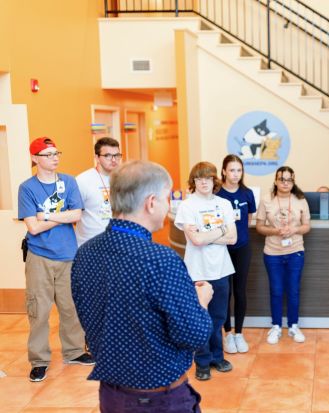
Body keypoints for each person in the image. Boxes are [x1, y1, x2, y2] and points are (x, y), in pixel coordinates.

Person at [71, 160, 213, 412]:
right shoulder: (161, 260)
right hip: (160, 401)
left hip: (111, 396)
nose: (168, 205)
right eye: (166, 198)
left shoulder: (85, 253)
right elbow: (194, 335)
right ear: (150, 202)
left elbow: (93, 318)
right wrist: (201, 301)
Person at [17, 136, 94, 383]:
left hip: (68, 255)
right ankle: (39, 361)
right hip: (39, 256)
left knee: (70, 307)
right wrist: (60, 215)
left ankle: (74, 352)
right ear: (35, 158)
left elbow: (77, 214)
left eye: (56, 153)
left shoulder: (69, 182)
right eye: (48, 154)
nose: (55, 158)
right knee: (38, 310)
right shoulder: (27, 188)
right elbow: (34, 228)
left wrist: (45, 214)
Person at [174, 161, 237, 381]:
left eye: (208, 178)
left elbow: (233, 237)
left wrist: (207, 234)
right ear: (194, 182)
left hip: (221, 269)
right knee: (200, 317)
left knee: (218, 317)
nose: (204, 182)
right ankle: (202, 361)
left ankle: (217, 357)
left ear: (214, 180)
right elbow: (196, 240)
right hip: (197, 271)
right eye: (200, 178)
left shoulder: (224, 204)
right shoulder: (187, 206)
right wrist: (221, 229)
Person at [256, 166, 311, 344]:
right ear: (276, 180)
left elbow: (307, 226)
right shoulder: (266, 200)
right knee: (276, 290)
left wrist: (294, 229)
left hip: (295, 251)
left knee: (293, 291)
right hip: (272, 253)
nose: (285, 183)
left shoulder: (300, 200)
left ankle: (293, 326)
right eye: (282, 179)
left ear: (293, 181)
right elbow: (259, 226)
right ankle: (276, 326)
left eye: (289, 180)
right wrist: (275, 231)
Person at [218, 155, 256, 354]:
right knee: (225, 292)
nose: (235, 174)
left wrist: (238, 236)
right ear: (223, 171)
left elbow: (248, 220)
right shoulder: (216, 194)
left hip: (242, 248)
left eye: (239, 170)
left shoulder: (247, 193)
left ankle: (239, 333)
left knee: (240, 291)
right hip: (221, 249)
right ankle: (228, 334)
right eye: (231, 170)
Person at [75, 137, 122, 246]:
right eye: (108, 156)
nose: (114, 160)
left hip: (116, 243)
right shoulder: (82, 181)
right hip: (89, 246)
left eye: (117, 155)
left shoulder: (124, 178)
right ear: (97, 157)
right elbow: (72, 213)